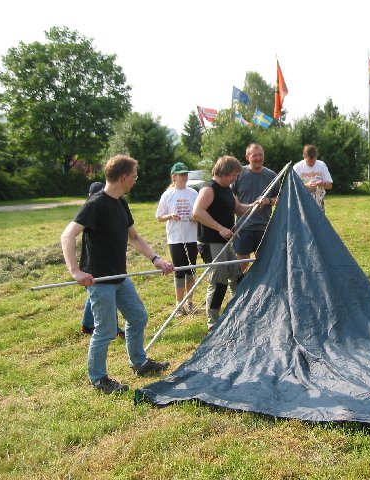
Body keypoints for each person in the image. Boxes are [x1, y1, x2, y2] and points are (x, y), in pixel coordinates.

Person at [60, 155, 174, 394]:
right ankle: (99, 379)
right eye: (134, 176)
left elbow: (133, 237)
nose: (135, 179)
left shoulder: (120, 202)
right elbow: (68, 235)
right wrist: (75, 271)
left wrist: (155, 259)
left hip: (119, 276)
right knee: (106, 330)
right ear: (123, 177)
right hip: (99, 280)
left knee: (138, 317)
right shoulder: (95, 204)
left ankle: (139, 363)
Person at [193, 156, 260, 329]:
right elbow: (197, 212)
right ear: (223, 172)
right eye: (233, 175)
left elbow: (239, 208)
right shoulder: (209, 189)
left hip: (225, 243)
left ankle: (237, 314)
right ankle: (213, 323)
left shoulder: (227, 190)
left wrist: (255, 205)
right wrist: (220, 228)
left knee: (237, 278)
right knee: (218, 282)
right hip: (211, 242)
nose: (235, 179)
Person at [81, 181, 124, 338]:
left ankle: (86, 323)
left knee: (95, 295)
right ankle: (114, 328)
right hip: (95, 266)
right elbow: (68, 235)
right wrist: (75, 270)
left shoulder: (117, 204)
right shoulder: (92, 208)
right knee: (105, 296)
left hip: (111, 265)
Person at [155, 162, 199, 314]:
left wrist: (196, 217)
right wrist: (170, 216)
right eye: (181, 174)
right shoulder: (167, 195)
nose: (185, 177)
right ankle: (179, 304)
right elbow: (159, 217)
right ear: (174, 177)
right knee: (179, 270)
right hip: (175, 238)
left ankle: (190, 301)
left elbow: (200, 212)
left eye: (186, 174)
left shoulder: (193, 193)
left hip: (191, 236)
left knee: (191, 269)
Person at [231, 144, 278, 272]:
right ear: (247, 157)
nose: (258, 158)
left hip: (264, 226)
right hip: (243, 226)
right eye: (254, 155)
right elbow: (229, 195)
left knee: (263, 262)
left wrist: (268, 200)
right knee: (242, 263)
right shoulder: (239, 174)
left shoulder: (272, 175)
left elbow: (280, 199)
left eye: (260, 155)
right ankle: (236, 288)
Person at [293, 144, 333, 211]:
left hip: (319, 202)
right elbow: (292, 188)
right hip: (302, 203)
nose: (311, 164)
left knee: (319, 221)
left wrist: (323, 184)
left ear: (316, 157)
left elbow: (330, 186)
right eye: (308, 162)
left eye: (313, 161)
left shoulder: (321, 165)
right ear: (303, 156)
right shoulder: (297, 167)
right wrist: (306, 186)